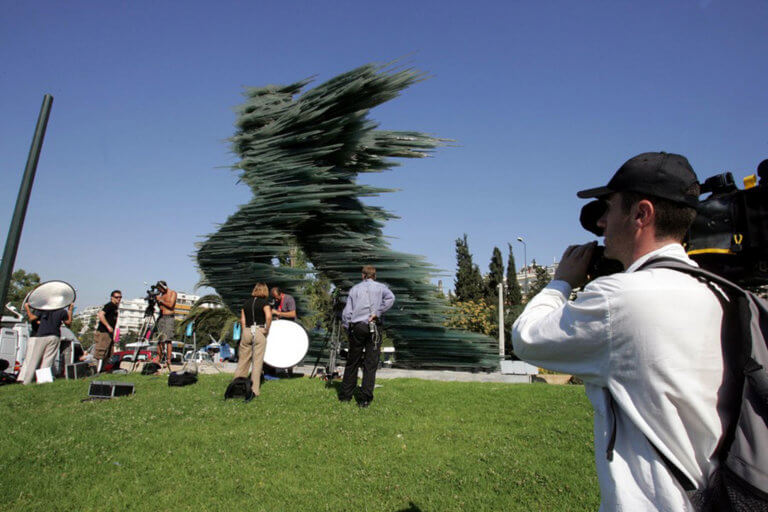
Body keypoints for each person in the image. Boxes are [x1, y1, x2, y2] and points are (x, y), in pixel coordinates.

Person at [512, 152, 726, 510]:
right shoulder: (720, 292)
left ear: (641, 214)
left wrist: (561, 282)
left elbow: (527, 337)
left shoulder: (621, 299)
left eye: (609, 209)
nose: (600, 223)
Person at [339, 265, 395, 407]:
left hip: (357, 327)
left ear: (363, 275)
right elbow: (391, 298)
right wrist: (378, 312)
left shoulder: (355, 289)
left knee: (353, 361)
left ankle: (346, 395)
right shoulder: (381, 288)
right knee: (370, 364)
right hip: (374, 327)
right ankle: (364, 399)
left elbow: (347, 313)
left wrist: (347, 327)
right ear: (374, 276)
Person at [17, 301, 74, 384]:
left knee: (34, 360)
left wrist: (27, 308)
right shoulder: (62, 311)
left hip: (41, 335)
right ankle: (42, 381)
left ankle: (27, 381)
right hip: (55, 336)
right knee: (48, 360)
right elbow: (68, 323)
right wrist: (70, 310)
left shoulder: (43, 309)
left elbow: (32, 318)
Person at [235, 282, 272, 398]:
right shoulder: (264, 303)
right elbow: (269, 317)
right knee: (257, 363)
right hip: (258, 330)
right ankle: (254, 390)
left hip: (246, 331)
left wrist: (245, 332)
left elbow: (243, 320)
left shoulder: (246, 303)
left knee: (242, 361)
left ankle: (237, 386)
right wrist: (266, 329)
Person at [93, 290, 121, 373]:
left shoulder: (115, 307)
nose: (118, 299)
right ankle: (97, 370)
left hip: (109, 333)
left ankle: (103, 369)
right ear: (112, 297)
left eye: (120, 297)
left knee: (109, 352)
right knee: (101, 351)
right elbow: (101, 314)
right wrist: (108, 326)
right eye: (116, 297)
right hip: (104, 332)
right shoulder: (110, 305)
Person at [155, 280, 176, 367]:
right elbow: (160, 307)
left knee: (168, 340)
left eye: (160, 289)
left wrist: (161, 300)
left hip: (169, 317)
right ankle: (159, 358)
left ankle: (168, 359)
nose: (160, 291)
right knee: (160, 339)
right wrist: (157, 300)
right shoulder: (161, 295)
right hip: (161, 317)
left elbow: (171, 305)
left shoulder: (172, 293)